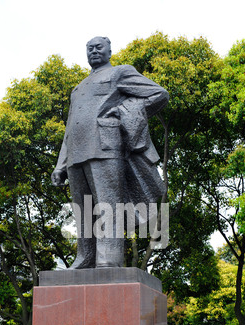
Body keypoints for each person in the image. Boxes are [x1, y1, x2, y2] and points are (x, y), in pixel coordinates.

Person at [51, 36, 169, 269]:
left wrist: (123, 110)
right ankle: (85, 257)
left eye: (99, 47)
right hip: (76, 152)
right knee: (82, 208)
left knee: (108, 205)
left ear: (109, 51)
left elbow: (159, 94)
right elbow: (69, 127)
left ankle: (108, 259)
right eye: (90, 48)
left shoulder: (120, 73)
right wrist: (60, 165)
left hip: (106, 146)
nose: (94, 51)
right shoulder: (78, 88)